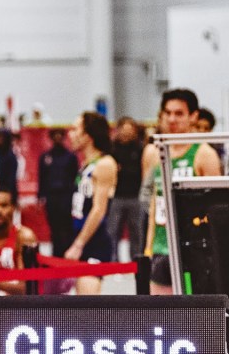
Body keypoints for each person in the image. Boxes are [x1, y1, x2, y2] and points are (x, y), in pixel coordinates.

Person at [142, 88, 221, 294]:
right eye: (167, 113)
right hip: (161, 246)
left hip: (194, 249)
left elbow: (217, 209)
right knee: (162, 316)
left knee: (191, 316)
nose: (171, 119)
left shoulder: (204, 154)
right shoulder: (154, 152)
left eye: (179, 113)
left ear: (193, 116)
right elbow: (153, 200)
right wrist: (148, 246)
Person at [66, 111, 118, 295]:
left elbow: (98, 209)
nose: (70, 134)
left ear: (88, 135)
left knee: (88, 304)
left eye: (75, 129)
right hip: (82, 235)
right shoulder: (86, 164)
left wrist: (79, 244)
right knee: (80, 301)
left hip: (95, 241)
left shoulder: (104, 164)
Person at [37, 127, 78, 257]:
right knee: (54, 228)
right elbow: (42, 177)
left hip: (66, 197)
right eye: (55, 135)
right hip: (52, 197)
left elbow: (75, 177)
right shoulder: (46, 157)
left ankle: (67, 254)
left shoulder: (70, 157)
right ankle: (56, 255)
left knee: (66, 227)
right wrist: (40, 196)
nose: (58, 138)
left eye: (60, 135)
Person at [107, 118, 145, 260]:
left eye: (130, 129)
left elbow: (140, 171)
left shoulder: (140, 149)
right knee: (113, 230)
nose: (127, 133)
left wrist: (123, 170)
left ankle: (136, 260)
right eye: (124, 129)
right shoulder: (113, 149)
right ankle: (113, 260)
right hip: (117, 196)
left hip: (135, 195)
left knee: (136, 231)